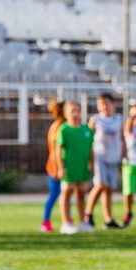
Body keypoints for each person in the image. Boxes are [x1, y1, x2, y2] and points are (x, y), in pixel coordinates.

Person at [84, 93, 124, 229]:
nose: (104, 106)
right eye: (101, 104)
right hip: (99, 156)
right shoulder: (95, 120)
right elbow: (88, 138)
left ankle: (108, 219)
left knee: (109, 189)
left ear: (113, 104)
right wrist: (89, 158)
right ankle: (88, 213)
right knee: (100, 185)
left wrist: (124, 155)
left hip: (113, 156)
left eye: (106, 103)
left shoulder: (119, 119)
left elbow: (122, 138)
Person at [54, 101, 94, 236]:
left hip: (82, 168)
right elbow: (58, 150)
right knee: (66, 194)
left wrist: (91, 165)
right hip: (69, 169)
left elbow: (91, 150)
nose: (75, 114)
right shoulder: (64, 129)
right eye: (72, 111)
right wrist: (60, 167)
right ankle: (66, 222)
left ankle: (83, 221)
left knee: (81, 194)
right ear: (66, 114)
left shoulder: (86, 130)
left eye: (77, 110)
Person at [42, 99, 66, 233]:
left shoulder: (56, 125)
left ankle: (65, 218)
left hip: (55, 165)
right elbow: (57, 150)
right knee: (55, 194)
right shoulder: (60, 127)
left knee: (62, 193)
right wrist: (58, 168)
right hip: (55, 166)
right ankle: (46, 220)